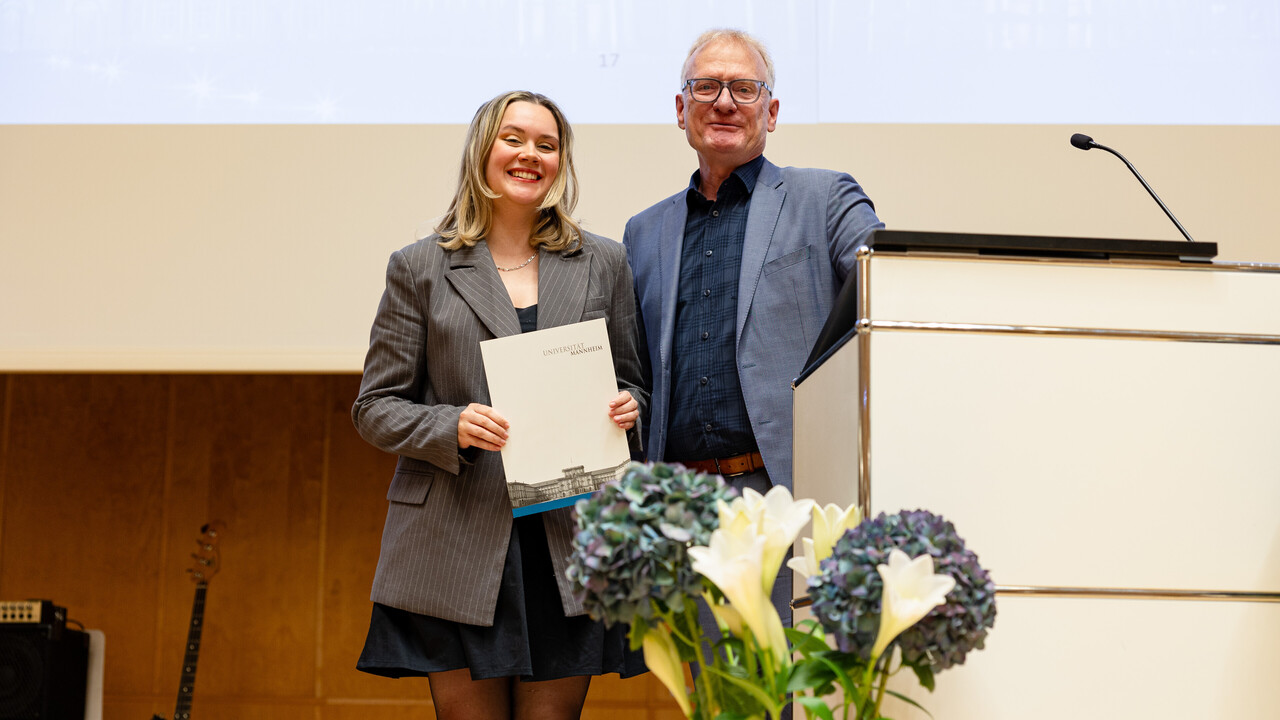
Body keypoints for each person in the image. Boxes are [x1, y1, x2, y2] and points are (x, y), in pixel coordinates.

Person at [352, 90, 648, 720]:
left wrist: (630, 408)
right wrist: (450, 424)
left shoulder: (604, 262)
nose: (530, 155)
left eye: (547, 144)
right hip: (455, 537)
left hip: (567, 538)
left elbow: (634, 381)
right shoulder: (421, 267)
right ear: (483, 150)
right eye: (514, 138)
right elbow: (375, 406)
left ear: (561, 163)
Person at [623, 29, 884, 633]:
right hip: (683, 511)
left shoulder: (825, 198)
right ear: (680, 108)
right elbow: (635, 371)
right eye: (706, 86)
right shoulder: (643, 232)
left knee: (800, 690)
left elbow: (887, 285)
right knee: (718, 696)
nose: (724, 101)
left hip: (790, 496)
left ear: (771, 110)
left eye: (743, 88)